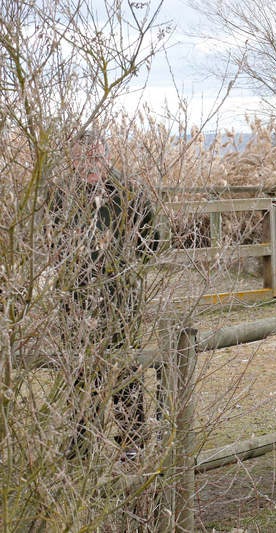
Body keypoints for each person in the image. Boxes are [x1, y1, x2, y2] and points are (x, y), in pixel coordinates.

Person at [52, 129, 160, 460]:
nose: (91, 164)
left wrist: (123, 271)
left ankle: (132, 441)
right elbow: (49, 240)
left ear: (107, 155)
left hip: (120, 299)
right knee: (80, 372)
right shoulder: (60, 195)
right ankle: (80, 442)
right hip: (75, 300)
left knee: (124, 371)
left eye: (97, 156)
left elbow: (151, 240)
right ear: (72, 160)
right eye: (83, 158)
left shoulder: (129, 192)